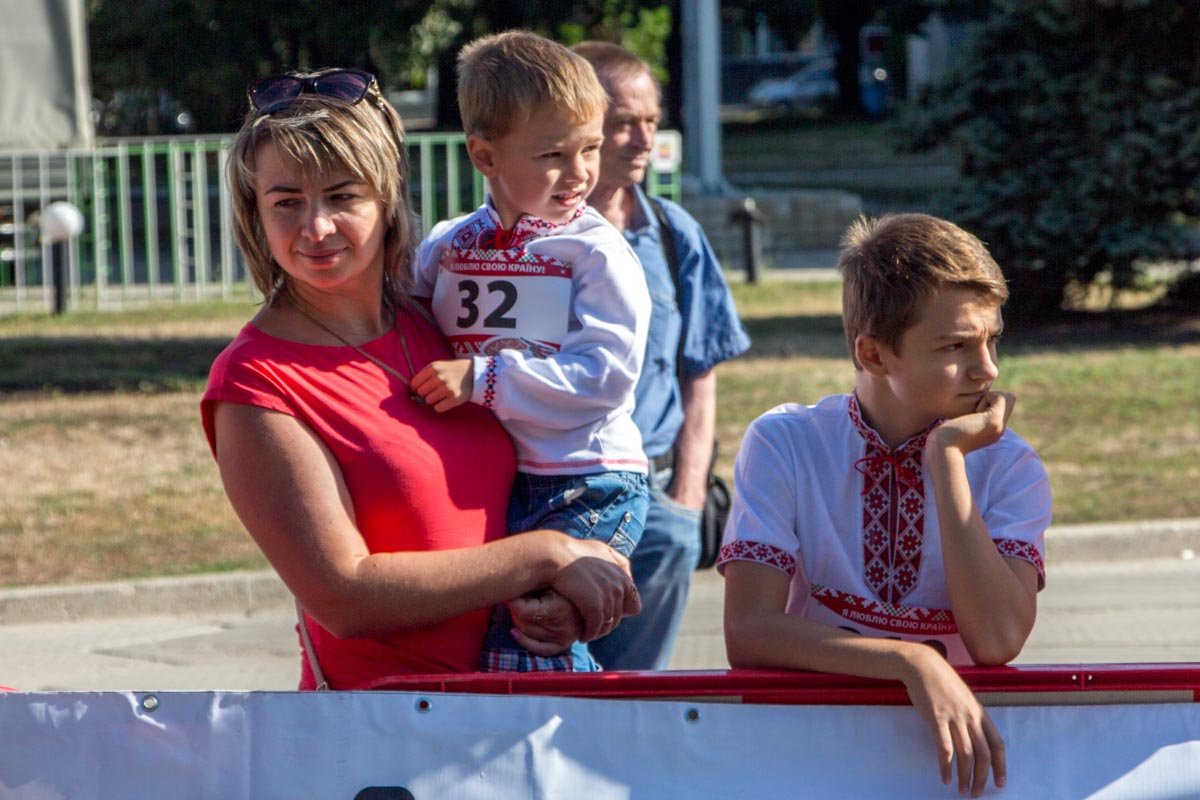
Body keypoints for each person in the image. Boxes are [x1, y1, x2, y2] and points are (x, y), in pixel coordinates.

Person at [201, 67, 639, 691]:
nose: (316, 227)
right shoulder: (255, 380)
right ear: (255, 213)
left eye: (343, 195)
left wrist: (562, 595)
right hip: (386, 733)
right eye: (286, 202)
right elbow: (345, 596)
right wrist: (545, 556)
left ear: (387, 198)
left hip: (515, 710)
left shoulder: (438, 316)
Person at [720, 213, 1052, 796]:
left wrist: (947, 459)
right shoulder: (785, 442)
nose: (988, 369)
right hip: (810, 754)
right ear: (873, 355)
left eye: (991, 338)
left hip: (958, 766)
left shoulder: (1009, 465)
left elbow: (997, 640)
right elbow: (748, 632)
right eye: (955, 345)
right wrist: (911, 661)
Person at [409, 32, 651, 673]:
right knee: (496, 641)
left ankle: (577, 759)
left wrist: (486, 379)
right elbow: (404, 326)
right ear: (485, 155)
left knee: (531, 642)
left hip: (587, 479)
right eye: (552, 154)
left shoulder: (596, 253)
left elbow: (608, 376)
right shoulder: (446, 246)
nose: (579, 174)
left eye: (590, 149)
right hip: (500, 479)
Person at [572, 41, 751, 671]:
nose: (641, 139)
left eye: (650, 121)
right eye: (622, 122)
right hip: (548, 497)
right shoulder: (527, 241)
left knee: (629, 697)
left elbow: (700, 373)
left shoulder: (676, 236)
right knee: (545, 692)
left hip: (654, 498)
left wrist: (687, 498)